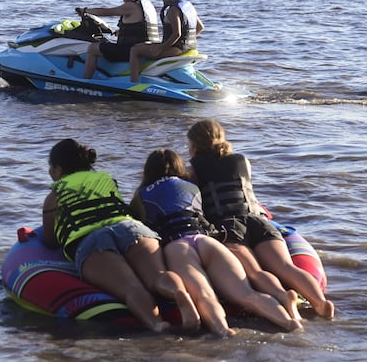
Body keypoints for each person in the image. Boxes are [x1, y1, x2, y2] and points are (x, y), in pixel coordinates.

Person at [130, 149, 303, 335]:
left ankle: (223, 330)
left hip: (178, 246)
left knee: (205, 295)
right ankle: (288, 322)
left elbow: (140, 225)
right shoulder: (191, 186)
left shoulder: (142, 194)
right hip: (206, 241)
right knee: (247, 294)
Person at [41, 139, 200, 332]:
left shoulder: (55, 194)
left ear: (58, 169)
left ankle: (157, 324)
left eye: (50, 167)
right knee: (158, 276)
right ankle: (179, 292)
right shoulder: (106, 179)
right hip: (131, 228)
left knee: (131, 287)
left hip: (92, 239)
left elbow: (49, 240)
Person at [186, 119, 336, 319]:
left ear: (194, 145)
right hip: (259, 222)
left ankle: (283, 297)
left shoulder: (193, 170)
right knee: (285, 267)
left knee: (255, 272)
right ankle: (321, 302)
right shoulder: (242, 161)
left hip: (229, 227)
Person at [77, 0, 160, 79]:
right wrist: (119, 32)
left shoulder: (130, 6)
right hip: (147, 47)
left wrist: (86, 11)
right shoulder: (146, 6)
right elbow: (139, 28)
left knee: (92, 48)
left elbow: (108, 12)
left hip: (131, 49)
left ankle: (86, 80)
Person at [128, 0, 204, 82]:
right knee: (145, 45)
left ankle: (133, 83)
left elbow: (177, 34)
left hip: (176, 48)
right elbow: (200, 27)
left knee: (135, 50)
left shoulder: (173, 10)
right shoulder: (187, 7)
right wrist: (186, 40)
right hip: (189, 47)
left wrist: (161, 48)